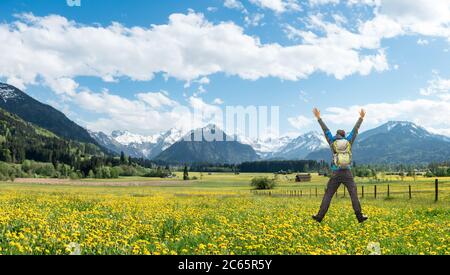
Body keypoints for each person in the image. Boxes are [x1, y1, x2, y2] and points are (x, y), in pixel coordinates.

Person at [312, 107, 368, 223]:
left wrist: (318, 117)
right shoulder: (348, 141)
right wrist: (361, 118)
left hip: (335, 172)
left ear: (337, 135)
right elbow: (355, 129)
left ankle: (319, 216)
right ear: (344, 135)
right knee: (353, 195)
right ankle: (359, 216)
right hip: (347, 172)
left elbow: (325, 129)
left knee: (328, 195)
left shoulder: (332, 141)